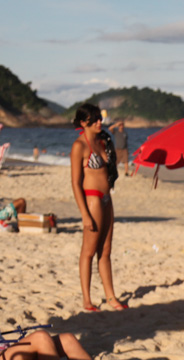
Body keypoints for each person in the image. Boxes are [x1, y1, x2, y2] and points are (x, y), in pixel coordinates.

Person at [71, 103, 125, 312]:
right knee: (89, 251)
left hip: (106, 198)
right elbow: (75, 183)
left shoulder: (103, 141)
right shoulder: (79, 146)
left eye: (100, 119)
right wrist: (84, 213)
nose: (99, 122)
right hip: (92, 199)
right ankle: (87, 300)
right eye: (95, 120)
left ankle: (110, 297)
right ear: (84, 123)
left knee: (106, 251)